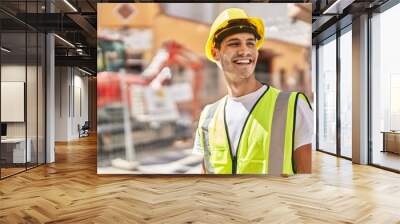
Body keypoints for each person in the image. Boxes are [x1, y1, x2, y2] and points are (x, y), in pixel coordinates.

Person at [192, 8, 313, 176]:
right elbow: (205, 178)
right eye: (234, 43)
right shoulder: (208, 116)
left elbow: (307, 180)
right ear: (215, 53)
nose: (245, 51)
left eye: (250, 43)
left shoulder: (293, 106)